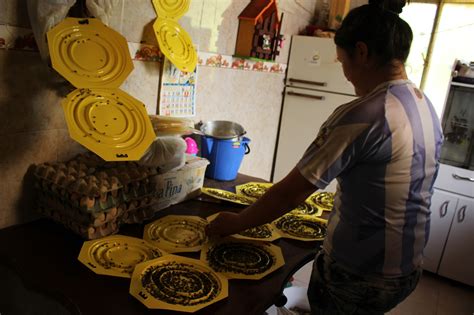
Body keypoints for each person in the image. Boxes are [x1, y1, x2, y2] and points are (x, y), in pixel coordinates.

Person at [207, 0, 443, 313]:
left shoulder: (364, 114)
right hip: (407, 268)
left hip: (359, 275)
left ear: (361, 52)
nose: (345, 74)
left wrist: (235, 222)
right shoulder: (424, 104)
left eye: (342, 61)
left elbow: (292, 193)